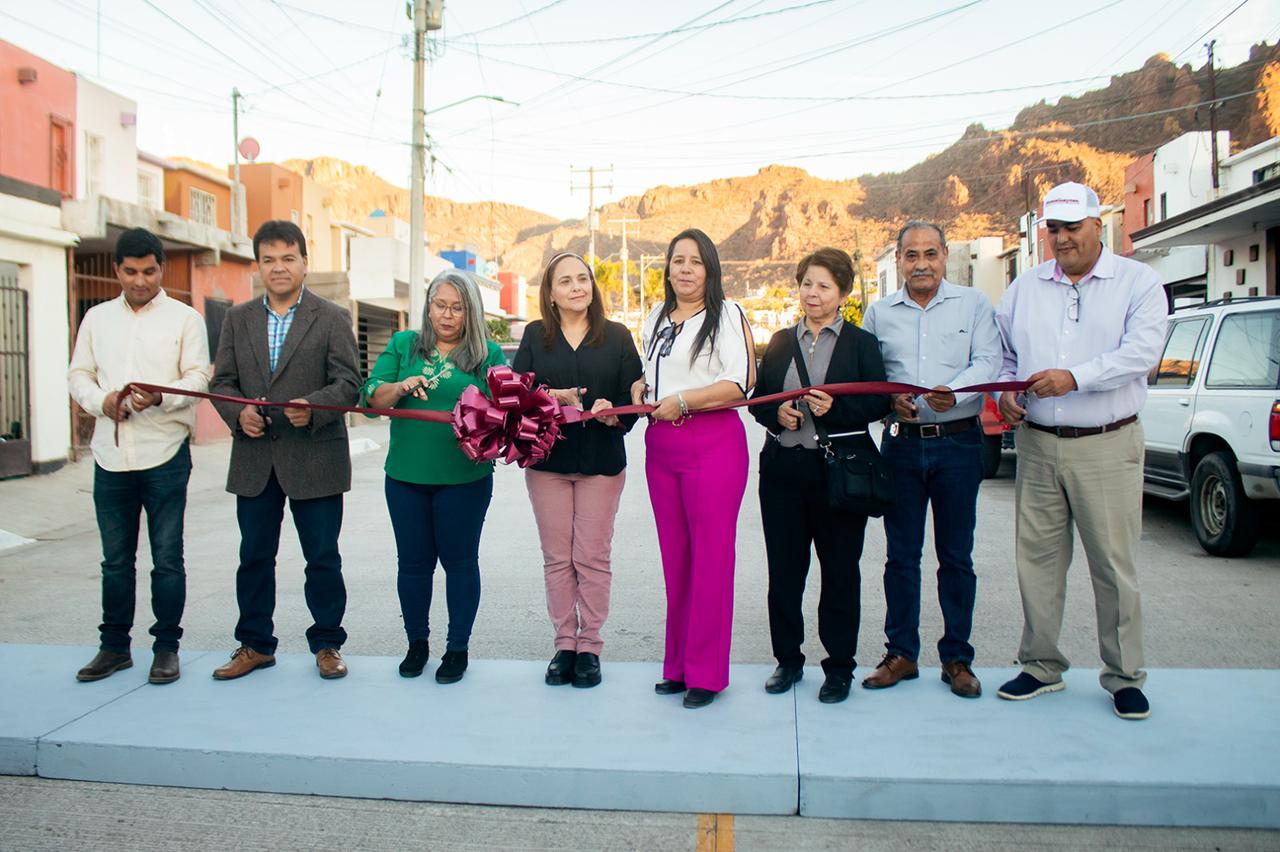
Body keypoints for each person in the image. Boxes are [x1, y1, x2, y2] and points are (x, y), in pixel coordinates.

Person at [994, 182, 1167, 721]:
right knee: (1038, 563)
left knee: (1113, 566)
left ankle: (1124, 675)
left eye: (1073, 227)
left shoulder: (1138, 283)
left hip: (1107, 444)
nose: (1063, 238)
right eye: (1054, 229)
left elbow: (1142, 354)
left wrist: (1076, 378)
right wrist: (1005, 393)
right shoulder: (1024, 288)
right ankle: (1042, 665)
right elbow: (1003, 354)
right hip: (1039, 445)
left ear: (1099, 225)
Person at [208, 220, 361, 681]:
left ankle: (328, 643)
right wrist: (239, 415)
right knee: (254, 556)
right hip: (256, 458)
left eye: (288, 257)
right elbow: (222, 383)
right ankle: (255, 644)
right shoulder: (238, 319)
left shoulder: (331, 317)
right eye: (269, 259)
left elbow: (349, 384)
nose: (279, 267)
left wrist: (314, 407)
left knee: (322, 558)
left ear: (304, 263)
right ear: (258, 266)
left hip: (315, 455)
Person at [859, 220, 1001, 699]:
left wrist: (954, 392)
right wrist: (888, 404)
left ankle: (957, 658)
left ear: (945, 256)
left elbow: (989, 360)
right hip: (901, 444)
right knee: (901, 556)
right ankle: (901, 653)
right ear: (898, 260)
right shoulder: (879, 314)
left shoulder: (974, 304)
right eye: (911, 255)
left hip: (959, 443)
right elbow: (870, 375)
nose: (921, 264)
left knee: (956, 556)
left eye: (930, 254)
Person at [67, 228, 212, 685]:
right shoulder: (96, 319)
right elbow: (78, 375)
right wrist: (100, 401)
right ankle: (114, 648)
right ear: (117, 271)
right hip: (110, 455)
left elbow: (198, 379)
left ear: (161, 268)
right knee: (114, 561)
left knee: (167, 559)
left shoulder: (185, 319)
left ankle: (166, 648)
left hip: (165, 453)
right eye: (131, 272)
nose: (140, 280)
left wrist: (161, 398)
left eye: (149, 271)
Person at [750, 248, 890, 704]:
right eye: (807, 283)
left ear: (843, 294)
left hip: (838, 474)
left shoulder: (861, 343)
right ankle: (788, 660)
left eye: (824, 286)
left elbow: (880, 402)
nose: (813, 293)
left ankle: (839, 668)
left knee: (840, 574)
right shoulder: (779, 341)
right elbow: (758, 402)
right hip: (783, 472)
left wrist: (839, 408)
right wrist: (778, 413)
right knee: (785, 573)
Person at [363, 270, 507, 685]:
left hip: (464, 477)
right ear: (428, 306)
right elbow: (373, 396)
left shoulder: (488, 355)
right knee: (412, 565)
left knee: (460, 563)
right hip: (406, 475)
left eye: (457, 307)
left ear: (471, 311)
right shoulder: (404, 345)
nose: (447, 315)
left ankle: (457, 648)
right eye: (440, 304)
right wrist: (402, 386)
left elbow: (506, 409)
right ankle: (416, 644)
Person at [633, 228, 755, 709]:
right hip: (662, 445)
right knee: (676, 559)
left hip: (713, 440)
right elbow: (656, 371)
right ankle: (678, 666)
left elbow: (741, 383)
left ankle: (707, 674)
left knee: (710, 558)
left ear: (711, 269)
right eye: (677, 259)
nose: (684, 269)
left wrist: (683, 399)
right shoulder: (656, 318)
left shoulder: (727, 315)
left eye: (695, 261)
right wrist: (640, 388)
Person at [512, 252, 643, 689]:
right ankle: (564, 644)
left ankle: (590, 646)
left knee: (591, 556)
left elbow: (635, 396)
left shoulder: (619, 336)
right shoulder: (534, 336)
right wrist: (551, 396)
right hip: (548, 462)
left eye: (582, 279)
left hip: (601, 462)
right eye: (565, 281)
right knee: (557, 558)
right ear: (550, 293)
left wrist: (614, 413)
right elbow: (516, 394)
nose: (576, 287)